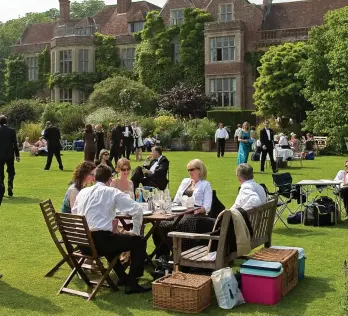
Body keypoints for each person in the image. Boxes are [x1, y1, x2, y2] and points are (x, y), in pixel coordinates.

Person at [72, 164, 150, 294]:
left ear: (95, 178)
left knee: (111, 239)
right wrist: (135, 232)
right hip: (100, 243)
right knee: (139, 241)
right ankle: (132, 282)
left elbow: (75, 213)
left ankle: (123, 277)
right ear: (109, 179)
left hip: (83, 243)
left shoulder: (82, 192)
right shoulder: (111, 192)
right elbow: (137, 209)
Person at [153, 159, 213, 256]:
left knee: (183, 223)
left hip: (197, 214)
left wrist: (197, 210)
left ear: (199, 170)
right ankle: (162, 255)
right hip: (180, 212)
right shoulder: (185, 181)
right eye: (188, 170)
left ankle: (181, 254)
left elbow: (207, 207)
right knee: (158, 225)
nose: (189, 172)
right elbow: (176, 200)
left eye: (191, 169)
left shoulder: (205, 185)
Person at [0, 115, 20, 199]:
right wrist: (17, 155)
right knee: (11, 171)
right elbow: (15, 144)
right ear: (6, 122)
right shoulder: (12, 130)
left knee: (0, 173)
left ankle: (2, 188)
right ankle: (10, 183)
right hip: (9, 154)